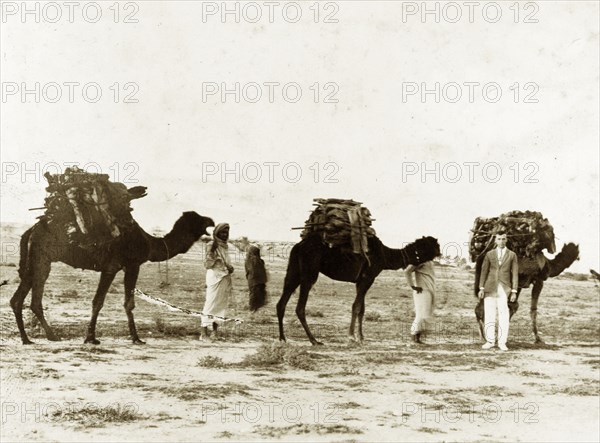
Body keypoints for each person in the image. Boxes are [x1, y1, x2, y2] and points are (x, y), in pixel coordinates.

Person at [478, 232, 519, 351]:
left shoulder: (512, 255)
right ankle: (490, 341)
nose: (501, 241)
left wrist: (514, 291)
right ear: (495, 241)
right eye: (499, 239)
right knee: (489, 313)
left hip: (504, 288)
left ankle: (502, 342)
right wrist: (481, 288)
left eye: (503, 239)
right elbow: (484, 272)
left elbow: (515, 274)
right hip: (489, 287)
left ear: (506, 240)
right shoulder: (489, 254)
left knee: (504, 314)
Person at [200, 223, 234, 340]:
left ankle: (215, 331)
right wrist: (217, 259)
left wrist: (229, 267)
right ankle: (203, 333)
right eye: (222, 233)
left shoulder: (225, 246)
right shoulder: (211, 245)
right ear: (217, 233)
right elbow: (207, 264)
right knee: (210, 303)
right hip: (215, 277)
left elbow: (226, 261)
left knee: (220, 305)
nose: (224, 235)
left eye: (226, 233)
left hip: (225, 277)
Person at [404, 260, 436, 344]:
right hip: (422, 291)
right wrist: (413, 286)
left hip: (429, 290)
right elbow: (407, 271)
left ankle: (417, 337)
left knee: (426, 314)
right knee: (421, 315)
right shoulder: (421, 260)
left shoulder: (429, 260)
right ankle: (414, 336)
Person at [245, 244, 268, 311]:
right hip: (256, 281)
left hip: (254, 280)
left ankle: (254, 309)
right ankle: (253, 309)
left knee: (256, 295)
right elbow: (253, 271)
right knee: (255, 295)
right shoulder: (254, 260)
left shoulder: (249, 260)